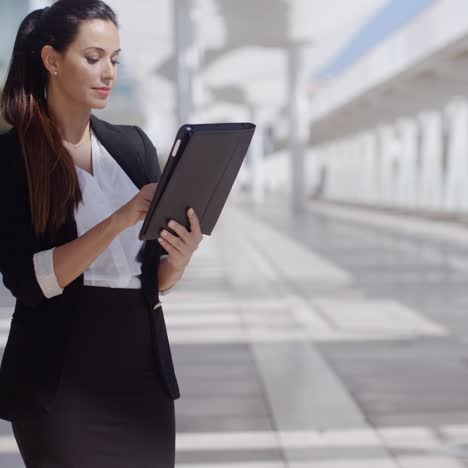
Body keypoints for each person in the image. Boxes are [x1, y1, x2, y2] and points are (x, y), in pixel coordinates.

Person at [0, 1, 203, 466]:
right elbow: (30, 283)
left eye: (114, 59)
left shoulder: (133, 148)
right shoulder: (11, 159)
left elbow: (154, 278)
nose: (107, 72)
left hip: (141, 375)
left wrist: (180, 256)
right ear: (52, 60)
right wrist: (116, 220)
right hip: (60, 378)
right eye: (92, 58)